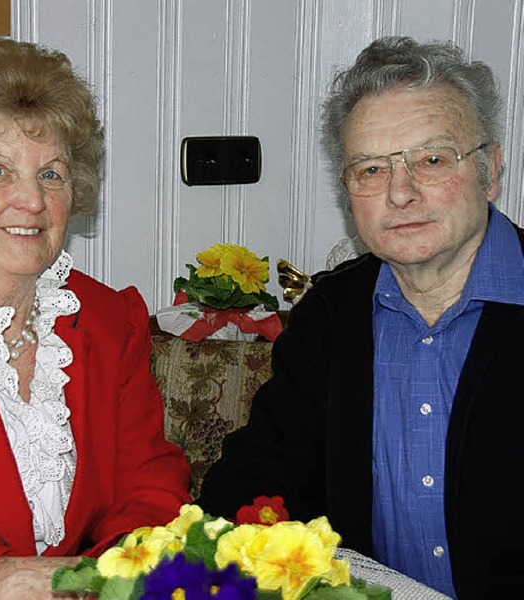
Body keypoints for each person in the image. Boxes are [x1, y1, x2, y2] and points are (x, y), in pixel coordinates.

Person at [198, 36, 524, 599]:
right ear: (348, 193)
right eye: (371, 169)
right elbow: (257, 480)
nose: (401, 192)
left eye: (431, 159)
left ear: (489, 171)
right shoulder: (330, 316)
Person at [0, 37, 190, 599]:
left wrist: (108, 575)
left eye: (51, 174)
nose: (32, 200)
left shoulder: (106, 318)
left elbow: (149, 480)